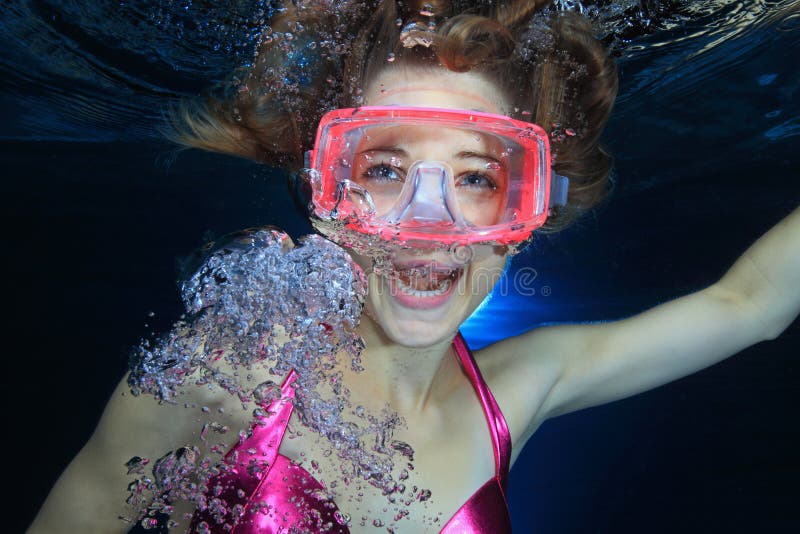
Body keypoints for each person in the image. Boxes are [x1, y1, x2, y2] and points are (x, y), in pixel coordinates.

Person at [29, 1, 799, 533]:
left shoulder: (521, 388)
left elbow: (750, 304)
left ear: (524, 220)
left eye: (476, 179)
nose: (427, 224)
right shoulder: (225, 375)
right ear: (326, 196)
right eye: (386, 169)